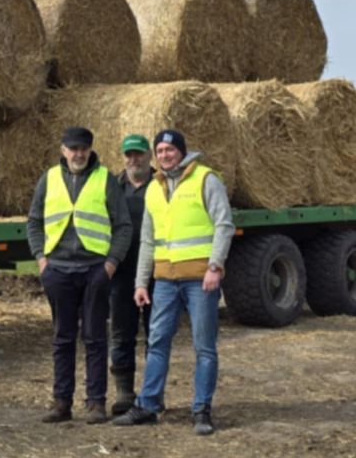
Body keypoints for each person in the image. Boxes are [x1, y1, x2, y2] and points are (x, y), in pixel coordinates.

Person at [113, 129, 235, 435]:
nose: (165, 155)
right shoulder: (155, 187)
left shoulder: (206, 180)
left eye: (170, 149)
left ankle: (201, 410)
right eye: (161, 150)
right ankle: (148, 405)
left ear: (182, 151)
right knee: (157, 343)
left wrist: (215, 266)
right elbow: (147, 240)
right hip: (165, 280)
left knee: (204, 346)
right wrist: (142, 283)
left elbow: (224, 224)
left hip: (200, 280)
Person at [26, 126, 132, 425]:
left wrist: (110, 264)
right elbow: (33, 222)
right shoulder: (48, 179)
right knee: (62, 338)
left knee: (95, 338)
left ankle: (96, 403)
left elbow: (123, 225)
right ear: (63, 151)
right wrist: (41, 260)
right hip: (58, 270)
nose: (78, 154)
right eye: (73, 148)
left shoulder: (105, 179)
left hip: (94, 270)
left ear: (90, 149)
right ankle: (62, 402)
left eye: (83, 148)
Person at [108, 134, 154, 416]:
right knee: (121, 332)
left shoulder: (163, 185)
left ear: (149, 156)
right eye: (129, 155)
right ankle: (124, 392)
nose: (133, 159)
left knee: (156, 334)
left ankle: (151, 390)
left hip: (156, 271)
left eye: (138, 154)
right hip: (122, 271)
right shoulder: (112, 186)